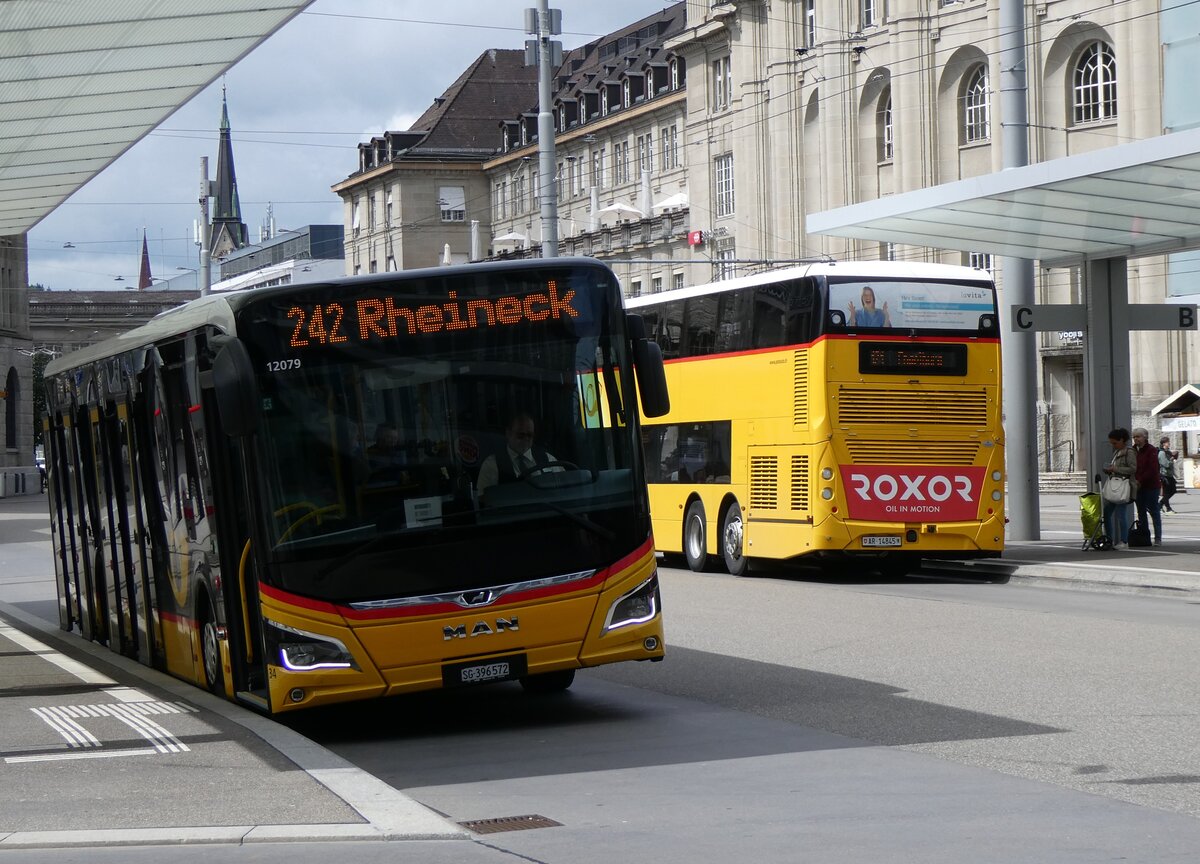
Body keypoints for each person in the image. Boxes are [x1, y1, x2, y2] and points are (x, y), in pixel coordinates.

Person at [476, 411, 558, 497]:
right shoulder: (492, 465)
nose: (525, 439)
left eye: (529, 435)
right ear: (508, 433)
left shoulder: (548, 460)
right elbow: (483, 498)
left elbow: (563, 489)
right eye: (521, 435)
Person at [1101, 427, 1137, 548]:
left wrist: (1115, 469)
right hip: (1116, 485)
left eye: (1115, 443)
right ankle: (1109, 539)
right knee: (1107, 513)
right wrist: (1109, 470)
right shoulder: (1117, 452)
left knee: (1121, 514)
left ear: (1122, 440)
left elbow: (1133, 469)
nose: (1113, 445)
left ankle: (1124, 541)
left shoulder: (1129, 452)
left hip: (1123, 486)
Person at [1131, 428, 1162, 546]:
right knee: (1141, 512)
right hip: (1138, 486)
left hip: (1151, 486)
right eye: (1134, 437)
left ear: (1145, 437)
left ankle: (1158, 538)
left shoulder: (1151, 450)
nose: (1136, 439)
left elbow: (1153, 469)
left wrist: (1140, 480)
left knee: (1154, 511)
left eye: (1138, 436)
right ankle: (1144, 537)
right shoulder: (1133, 450)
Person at [1159, 436, 1179, 514]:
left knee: (1173, 490)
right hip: (1164, 475)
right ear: (1163, 443)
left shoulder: (1168, 452)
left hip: (1169, 475)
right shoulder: (1161, 453)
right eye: (1167, 442)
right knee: (1167, 492)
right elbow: (1166, 464)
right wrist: (1171, 460)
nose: (1169, 443)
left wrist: (1174, 457)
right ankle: (1168, 508)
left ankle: (1160, 505)